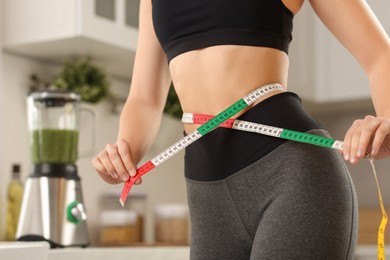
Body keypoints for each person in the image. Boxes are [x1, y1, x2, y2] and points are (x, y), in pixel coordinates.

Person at [92, 0, 390, 258]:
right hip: (206, 191)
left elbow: (380, 56)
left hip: (290, 178)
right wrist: (123, 154)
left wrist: (388, 118)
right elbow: (144, 98)